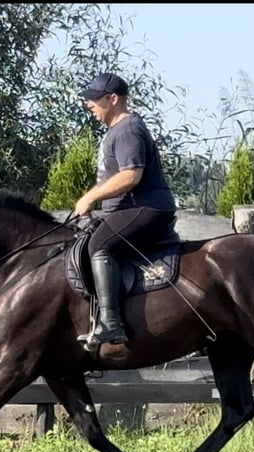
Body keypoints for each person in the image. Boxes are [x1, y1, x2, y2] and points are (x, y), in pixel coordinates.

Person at [74, 72, 177, 345]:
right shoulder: (117, 131)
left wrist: (90, 197)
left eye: (95, 100)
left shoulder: (127, 129)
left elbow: (131, 175)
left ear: (113, 99)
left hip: (146, 207)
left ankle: (111, 323)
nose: (89, 105)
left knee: (100, 246)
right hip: (129, 209)